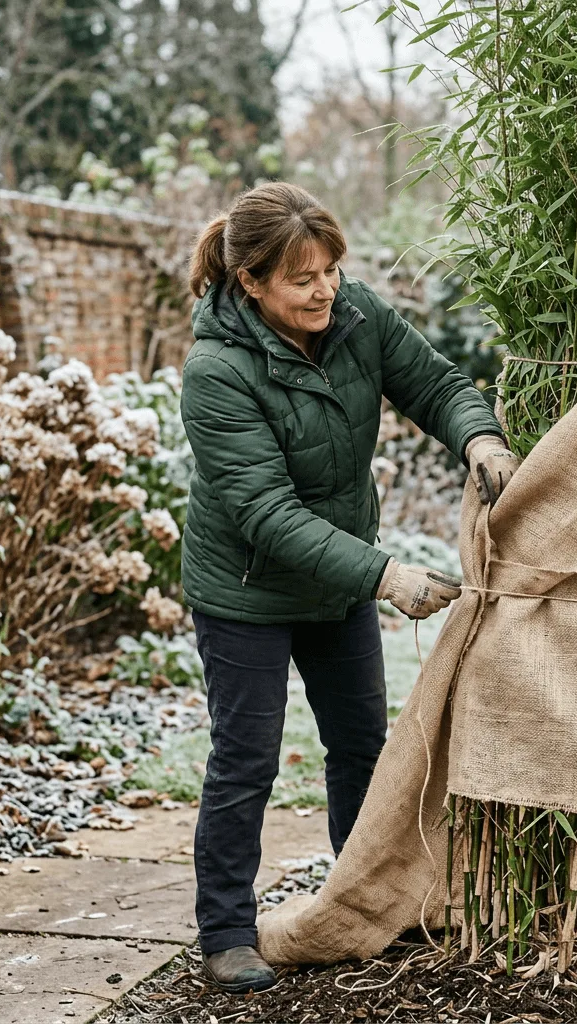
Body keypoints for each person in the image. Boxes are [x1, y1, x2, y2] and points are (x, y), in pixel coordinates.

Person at [179, 181, 520, 993]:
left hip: (336, 583)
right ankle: (225, 932)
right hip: (247, 592)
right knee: (246, 759)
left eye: (331, 269)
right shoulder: (216, 371)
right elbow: (265, 513)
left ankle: (363, 904)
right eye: (302, 279)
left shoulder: (357, 315)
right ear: (249, 281)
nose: (325, 289)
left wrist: (479, 439)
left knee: (364, 747)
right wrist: (386, 575)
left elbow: (436, 384)